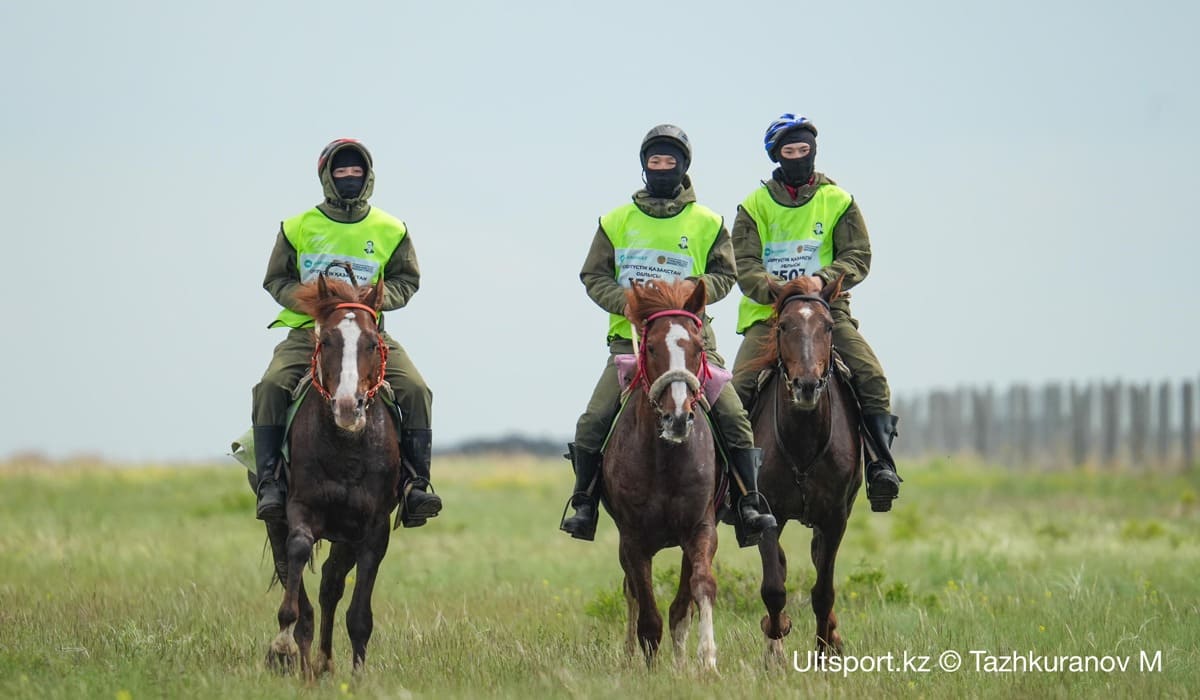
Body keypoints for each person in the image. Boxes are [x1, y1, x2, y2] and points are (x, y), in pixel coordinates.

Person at [559, 124, 777, 543]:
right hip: (633, 342)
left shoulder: (708, 221)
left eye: (669, 161)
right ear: (644, 168)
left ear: (683, 166)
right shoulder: (616, 221)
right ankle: (584, 502)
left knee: (733, 416)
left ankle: (749, 501)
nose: (662, 168)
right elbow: (593, 274)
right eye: (654, 161)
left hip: (693, 342)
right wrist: (626, 304)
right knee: (593, 421)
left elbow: (725, 274)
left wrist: (686, 297)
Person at [251, 138, 443, 527]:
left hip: (369, 335)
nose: (350, 177)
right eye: (342, 171)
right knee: (271, 385)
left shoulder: (391, 228)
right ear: (327, 176)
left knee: (417, 390)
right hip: (311, 333)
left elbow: (408, 279)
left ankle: (416, 486)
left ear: (368, 176)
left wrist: (368, 306)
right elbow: (276, 280)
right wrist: (317, 305)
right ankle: (270, 481)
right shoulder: (297, 226)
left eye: (357, 171)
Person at [729, 113, 902, 511]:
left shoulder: (838, 201)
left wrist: (822, 281)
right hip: (770, 316)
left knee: (871, 376)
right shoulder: (754, 206)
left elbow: (858, 255)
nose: (797, 157)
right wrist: (780, 289)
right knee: (736, 390)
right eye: (788, 151)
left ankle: (880, 466)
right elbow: (744, 263)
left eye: (803, 150)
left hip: (827, 313)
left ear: (814, 151)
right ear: (776, 155)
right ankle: (732, 486)